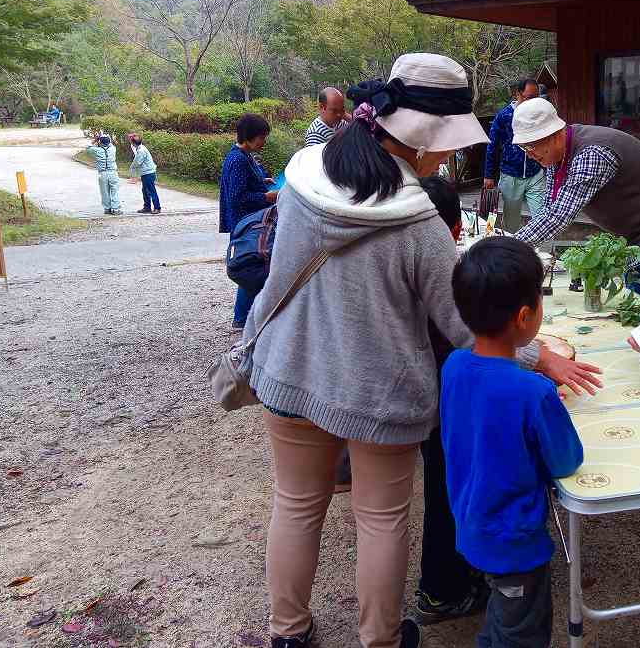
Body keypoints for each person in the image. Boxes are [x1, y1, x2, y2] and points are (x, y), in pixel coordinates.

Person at [245, 53, 600, 648]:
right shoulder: (417, 222)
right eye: (445, 144)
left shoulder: (304, 173)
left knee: (297, 504)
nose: (448, 157)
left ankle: (288, 631)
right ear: (421, 137)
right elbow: (471, 329)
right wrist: (542, 358)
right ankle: (380, 639)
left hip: (289, 367)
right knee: (380, 521)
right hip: (376, 391)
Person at [442, 236, 584, 648]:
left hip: (471, 522)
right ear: (525, 316)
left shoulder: (453, 366)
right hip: (515, 543)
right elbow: (566, 460)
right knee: (522, 632)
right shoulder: (531, 391)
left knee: (503, 619)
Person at [510, 97, 640, 300]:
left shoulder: (592, 152)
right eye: (524, 148)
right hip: (636, 237)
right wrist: (516, 243)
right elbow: (549, 207)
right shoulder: (557, 156)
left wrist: (509, 247)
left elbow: (559, 216)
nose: (529, 154)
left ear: (554, 134)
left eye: (531, 146)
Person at [412, 175, 488, 625]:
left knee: (444, 484)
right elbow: (471, 337)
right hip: (441, 397)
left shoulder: (398, 252)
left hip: (420, 391)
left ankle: (453, 574)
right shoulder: (440, 268)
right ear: (455, 230)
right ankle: (442, 590)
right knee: (445, 488)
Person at [219, 113, 277, 329]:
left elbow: (246, 183)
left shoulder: (245, 156)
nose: (263, 142)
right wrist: (267, 196)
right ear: (250, 137)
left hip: (251, 221)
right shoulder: (237, 160)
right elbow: (238, 197)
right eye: (261, 138)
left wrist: (263, 181)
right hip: (245, 223)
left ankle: (245, 315)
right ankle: (241, 318)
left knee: (251, 265)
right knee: (249, 266)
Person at [483, 78, 546, 234]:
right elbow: (492, 145)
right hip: (511, 175)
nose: (533, 101)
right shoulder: (504, 116)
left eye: (536, 97)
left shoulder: (540, 114)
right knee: (511, 222)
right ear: (517, 94)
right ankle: (514, 253)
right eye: (529, 97)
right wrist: (488, 175)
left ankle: (544, 256)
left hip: (535, 173)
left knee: (543, 218)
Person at [85, 132, 122, 215]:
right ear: (109, 142)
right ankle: (115, 209)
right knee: (114, 191)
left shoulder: (97, 150)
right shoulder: (113, 149)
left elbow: (88, 148)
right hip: (113, 172)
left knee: (104, 192)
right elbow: (111, 143)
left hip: (102, 173)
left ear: (100, 142)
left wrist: (95, 140)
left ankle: (107, 208)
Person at [127, 133, 161, 214]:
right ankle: (147, 207)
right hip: (146, 173)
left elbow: (137, 162)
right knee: (145, 191)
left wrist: (131, 170)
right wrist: (131, 139)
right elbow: (133, 148)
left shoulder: (141, 150)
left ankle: (157, 208)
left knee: (151, 191)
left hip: (148, 173)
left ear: (134, 143)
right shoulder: (139, 147)